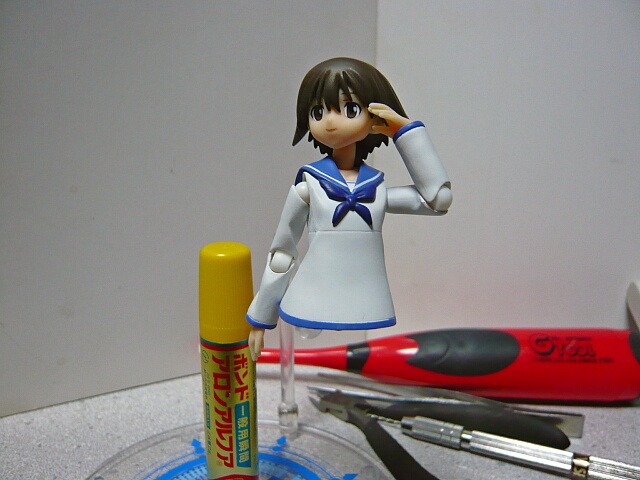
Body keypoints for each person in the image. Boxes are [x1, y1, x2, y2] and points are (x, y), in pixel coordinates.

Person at [246, 57, 452, 360]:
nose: (330, 122)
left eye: (350, 109)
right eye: (318, 112)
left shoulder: (376, 188)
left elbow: (437, 199)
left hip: (365, 298)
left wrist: (406, 133)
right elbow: (282, 254)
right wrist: (261, 318)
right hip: (310, 297)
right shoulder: (308, 186)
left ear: (374, 115)